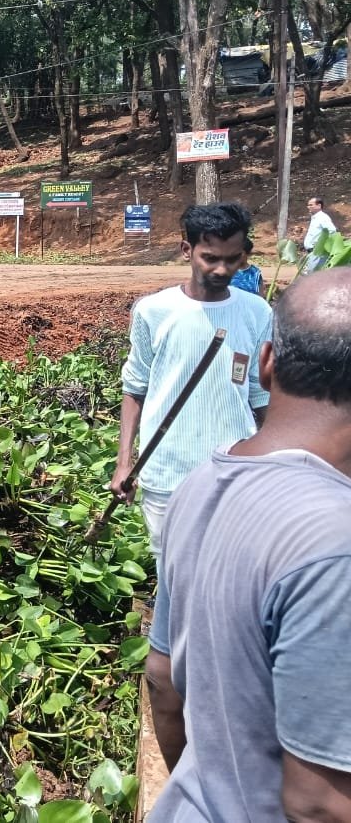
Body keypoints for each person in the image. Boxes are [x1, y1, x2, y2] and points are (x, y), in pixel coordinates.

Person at [146, 268, 351, 822]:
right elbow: (320, 805)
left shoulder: (199, 485)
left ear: (265, 362)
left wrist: (213, 794)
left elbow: (163, 681)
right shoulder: (336, 542)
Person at [111, 203, 272, 557]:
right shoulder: (154, 311)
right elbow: (135, 389)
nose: (222, 269)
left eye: (232, 259)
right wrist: (124, 463)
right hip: (168, 474)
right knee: (172, 572)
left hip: (235, 473)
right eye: (210, 258)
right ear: (187, 250)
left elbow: (260, 394)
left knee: (231, 572)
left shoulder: (257, 311)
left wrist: (279, 460)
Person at [302, 196, 337, 271]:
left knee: (314, 274)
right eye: (308, 205)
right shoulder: (315, 217)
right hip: (312, 252)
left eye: (311, 205)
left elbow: (332, 231)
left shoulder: (322, 217)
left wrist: (322, 245)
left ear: (319, 206)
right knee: (311, 273)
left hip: (318, 252)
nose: (308, 207)